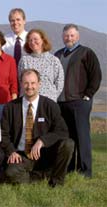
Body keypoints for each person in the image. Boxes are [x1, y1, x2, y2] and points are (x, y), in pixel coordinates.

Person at [0, 69, 74, 187]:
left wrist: (42, 141)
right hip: (22, 155)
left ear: (39, 84)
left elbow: (62, 131)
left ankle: (56, 182)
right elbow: (3, 134)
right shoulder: (11, 107)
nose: (30, 87)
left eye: (33, 83)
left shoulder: (50, 105)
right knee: (11, 172)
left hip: (45, 154)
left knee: (68, 144)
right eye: (26, 83)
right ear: (21, 84)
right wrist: (11, 151)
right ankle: (39, 177)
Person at [55, 24, 102, 178]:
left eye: (72, 35)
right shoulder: (58, 54)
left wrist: (88, 95)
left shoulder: (86, 53)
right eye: (66, 35)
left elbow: (96, 75)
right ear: (62, 37)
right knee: (67, 138)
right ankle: (68, 168)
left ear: (77, 36)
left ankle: (85, 171)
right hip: (61, 103)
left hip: (79, 102)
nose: (69, 38)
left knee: (82, 137)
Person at [18, 29, 64, 102]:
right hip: (28, 102)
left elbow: (59, 83)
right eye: (30, 40)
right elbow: (20, 81)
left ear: (43, 40)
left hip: (48, 102)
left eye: (35, 39)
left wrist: (52, 97)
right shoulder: (24, 60)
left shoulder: (54, 60)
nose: (33, 42)